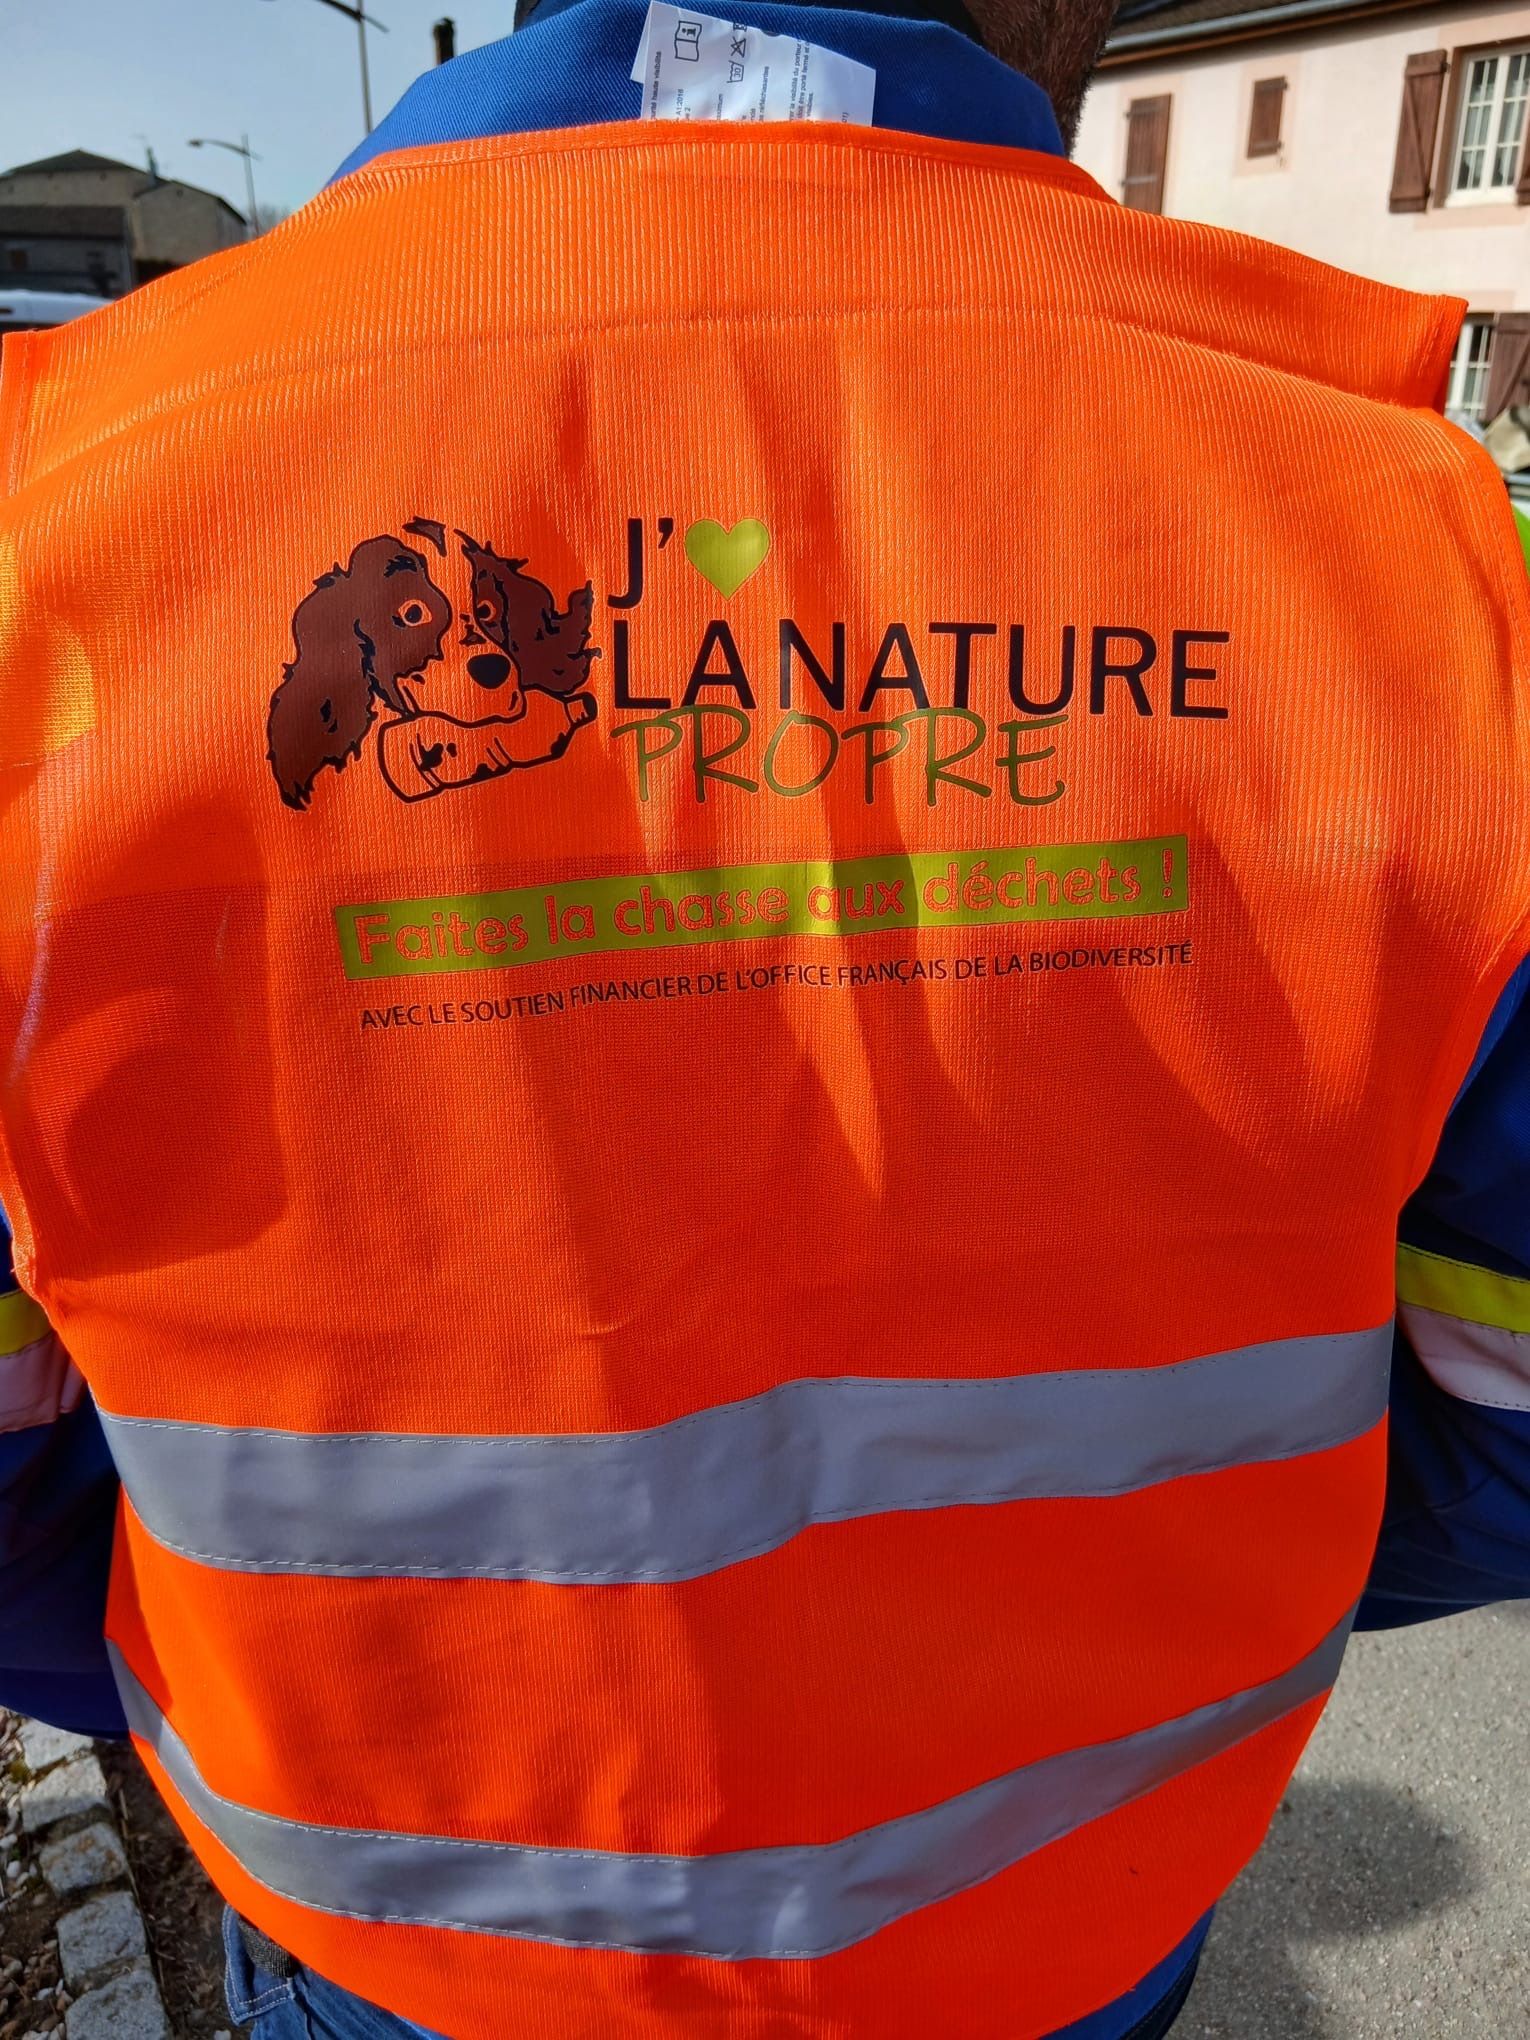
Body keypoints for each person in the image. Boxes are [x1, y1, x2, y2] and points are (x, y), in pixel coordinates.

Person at [0, 0, 1527, 2033]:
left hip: (408, 1947)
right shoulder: (1416, 561)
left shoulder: (57, 536)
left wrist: (245, 1690)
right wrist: (1172, 1647)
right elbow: (1507, 1422)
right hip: (1067, 1931)